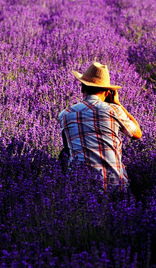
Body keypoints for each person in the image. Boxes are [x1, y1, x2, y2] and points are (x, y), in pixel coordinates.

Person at [58, 62, 142, 191]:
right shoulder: (114, 110)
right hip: (114, 183)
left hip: (80, 185)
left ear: (82, 88)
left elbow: (67, 148)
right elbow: (137, 134)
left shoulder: (65, 114)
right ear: (108, 92)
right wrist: (118, 104)